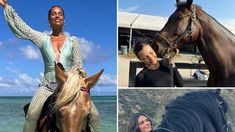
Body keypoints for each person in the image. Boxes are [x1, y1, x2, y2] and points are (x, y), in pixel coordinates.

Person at [0, 1, 99, 131]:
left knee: (95, 115)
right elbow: (24, 28)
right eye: (53, 14)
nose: (57, 16)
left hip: (69, 87)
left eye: (60, 14)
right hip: (47, 85)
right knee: (32, 114)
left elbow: (79, 66)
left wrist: (80, 84)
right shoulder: (42, 39)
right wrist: (7, 7)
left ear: (64, 19)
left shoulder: (73, 41)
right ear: (49, 19)